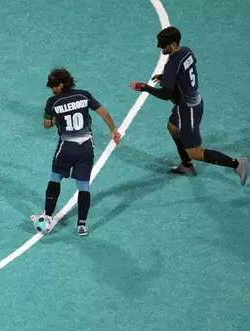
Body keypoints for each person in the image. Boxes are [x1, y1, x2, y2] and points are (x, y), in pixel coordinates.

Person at [129, 26, 247, 184]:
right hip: (191, 100)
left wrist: (145, 87)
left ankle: (237, 163)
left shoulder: (171, 64)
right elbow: (183, 72)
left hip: (188, 109)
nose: (160, 47)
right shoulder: (186, 52)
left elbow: (165, 94)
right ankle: (187, 166)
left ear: (171, 44)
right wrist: (165, 76)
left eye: (163, 44)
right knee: (173, 128)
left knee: (195, 152)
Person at [31, 68, 121, 236]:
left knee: (55, 178)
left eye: (53, 86)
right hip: (86, 147)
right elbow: (103, 113)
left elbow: (46, 124)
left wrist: (56, 119)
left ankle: (47, 215)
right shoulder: (84, 95)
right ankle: (81, 225)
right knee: (83, 185)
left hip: (66, 147)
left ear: (61, 85)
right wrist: (113, 130)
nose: (52, 90)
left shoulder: (52, 102)